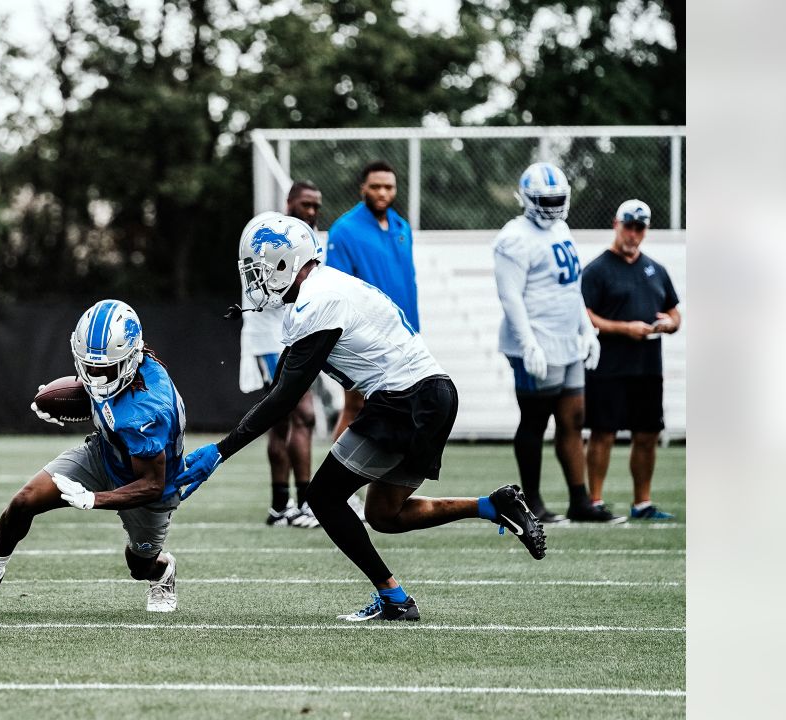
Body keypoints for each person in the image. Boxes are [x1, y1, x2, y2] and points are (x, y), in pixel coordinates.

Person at [178, 213, 547, 622]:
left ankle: (394, 598)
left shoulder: (319, 300)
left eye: (260, 270)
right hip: (431, 395)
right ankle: (492, 506)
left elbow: (283, 397)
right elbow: (286, 377)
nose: (256, 281)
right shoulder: (323, 289)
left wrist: (219, 452)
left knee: (322, 498)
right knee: (383, 515)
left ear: (286, 263)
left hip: (406, 398)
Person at [0, 300, 188, 612]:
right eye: (89, 366)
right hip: (104, 454)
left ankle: (163, 571)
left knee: (139, 566)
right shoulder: (115, 365)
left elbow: (151, 482)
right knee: (24, 500)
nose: (95, 376)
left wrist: (94, 498)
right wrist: (62, 406)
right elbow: (104, 399)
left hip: (149, 487)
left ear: (132, 356)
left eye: (104, 368)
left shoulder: (150, 407)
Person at [492, 162, 619, 524]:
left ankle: (580, 501)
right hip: (535, 342)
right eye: (544, 199)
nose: (552, 205)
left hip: (566, 340)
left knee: (573, 419)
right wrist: (528, 343)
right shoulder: (513, 237)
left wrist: (586, 329)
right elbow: (510, 296)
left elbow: (570, 287)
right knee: (534, 421)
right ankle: (529, 502)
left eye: (557, 198)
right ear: (526, 199)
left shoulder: (560, 228)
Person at [581, 200, 681, 520]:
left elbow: (675, 311)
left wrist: (669, 324)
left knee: (648, 434)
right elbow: (585, 316)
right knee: (603, 432)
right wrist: (624, 328)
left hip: (647, 367)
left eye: (640, 228)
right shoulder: (597, 269)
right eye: (629, 226)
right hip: (609, 366)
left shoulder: (656, 269)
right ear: (616, 224)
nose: (633, 234)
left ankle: (642, 503)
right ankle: (594, 501)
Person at [238, 181, 322, 527]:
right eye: (305, 204)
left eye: (317, 205)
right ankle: (305, 504)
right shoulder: (266, 231)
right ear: (289, 202)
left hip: (294, 337)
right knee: (303, 416)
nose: (312, 212)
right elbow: (263, 290)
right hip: (271, 339)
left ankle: (280, 507)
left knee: (282, 422)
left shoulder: (309, 238)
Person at [323, 160, 418, 440]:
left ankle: (382, 481)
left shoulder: (402, 227)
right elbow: (337, 289)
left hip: (401, 335)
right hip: (362, 337)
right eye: (375, 186)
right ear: (363, 188)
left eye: (388, 187)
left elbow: (408, 284)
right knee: (356, 406)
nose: (382, 193)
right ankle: (335, 483)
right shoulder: (344, 229)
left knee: (399, 408)